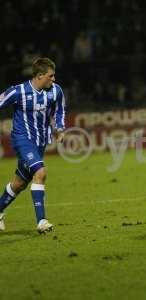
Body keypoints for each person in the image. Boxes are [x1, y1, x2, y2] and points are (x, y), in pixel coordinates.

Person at [0, 57, 66, 234]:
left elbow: (60, 110)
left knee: (19, 184)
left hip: (40, 143)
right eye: (51, 76)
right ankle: (42, 221)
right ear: (39, 75)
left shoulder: (55, 91)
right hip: (22, 140)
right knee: (40, 173)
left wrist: (59, 129)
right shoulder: (18, 91)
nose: (54, 79)